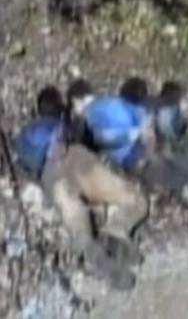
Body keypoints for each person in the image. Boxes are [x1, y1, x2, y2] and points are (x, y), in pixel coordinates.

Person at [15, 85, 147, 290]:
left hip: (51, 174)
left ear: (37, 110)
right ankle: (117, 228)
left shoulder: (26, 135)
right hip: (79, 159)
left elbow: (25, 164)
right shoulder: (67, 122)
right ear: (61, 105)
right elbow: (86, 136)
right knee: (134, 199)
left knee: (75, 216)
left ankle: (93, 252)